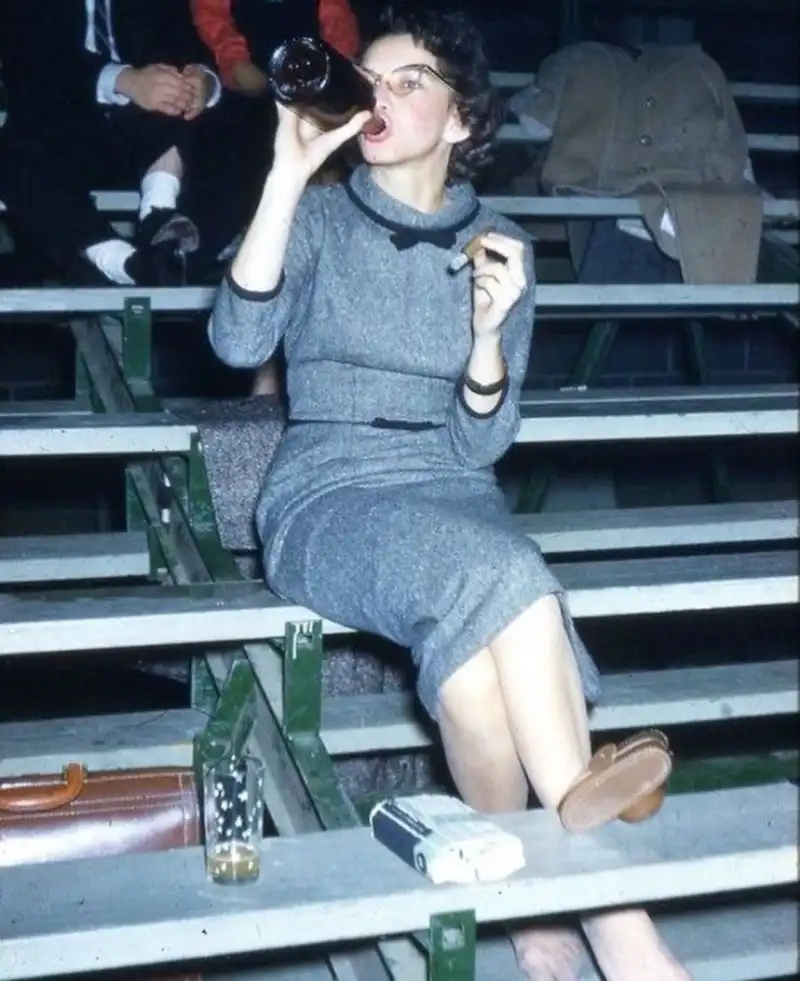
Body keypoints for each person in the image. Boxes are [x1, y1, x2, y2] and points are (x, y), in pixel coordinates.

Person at [208, 7, 687, 980]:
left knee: (472, 683)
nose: (379, 97)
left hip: (450, 491)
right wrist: (286, 175)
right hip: (328, 492)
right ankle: (620, 922)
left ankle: (527, 919)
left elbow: (481, 445)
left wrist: (485, 339)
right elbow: (236, 342)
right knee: (511, 574)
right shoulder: (317, 218)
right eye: (369, 81)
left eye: (408, 81)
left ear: (461, 119)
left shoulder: (500, 244)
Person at [0, 0, 240, 286]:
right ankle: (120, 260)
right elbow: (30, 61)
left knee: (233, 114)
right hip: (61, 126)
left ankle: (160, 215)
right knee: (15, 153)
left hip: (146, 128)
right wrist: (124, 80)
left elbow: (183, 40)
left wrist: (201, 81)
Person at [191, 0, 362, 395]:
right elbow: (211, 18)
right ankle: (265, 375)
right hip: (243, 99)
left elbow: (338, 27)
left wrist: (327, 75)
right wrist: (236, 66)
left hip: (310, 92)